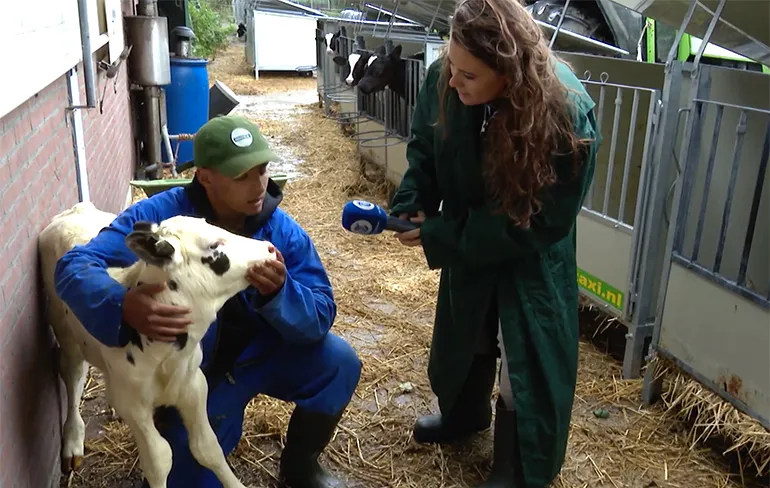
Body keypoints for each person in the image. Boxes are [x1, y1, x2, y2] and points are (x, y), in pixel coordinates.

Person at [54, 115, 362, 488]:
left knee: (339, 363)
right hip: (200, 377)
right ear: (205, 177)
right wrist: (120, 304)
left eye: (262, 169)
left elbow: (320, 311)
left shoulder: (281, 230)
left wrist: (282, 294)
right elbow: (74, 266)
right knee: (192, 479)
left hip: (262, 353)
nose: (258, 184)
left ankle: (301, 466)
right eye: (241, 175)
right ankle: (179, 427)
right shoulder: (161, 218)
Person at [389, 0, 601, 486]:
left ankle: (514, 462)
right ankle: (465, 417)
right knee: (469, 330)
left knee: (523, 354)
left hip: (529, 258)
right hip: (469, 241)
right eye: (453, 66)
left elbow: (539, 222)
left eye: (470, 76)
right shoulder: (447, 73)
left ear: (509, 72)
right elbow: (426, 143)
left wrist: (445, 234)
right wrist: (413, 199)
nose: (454, 80)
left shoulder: (564, 113)